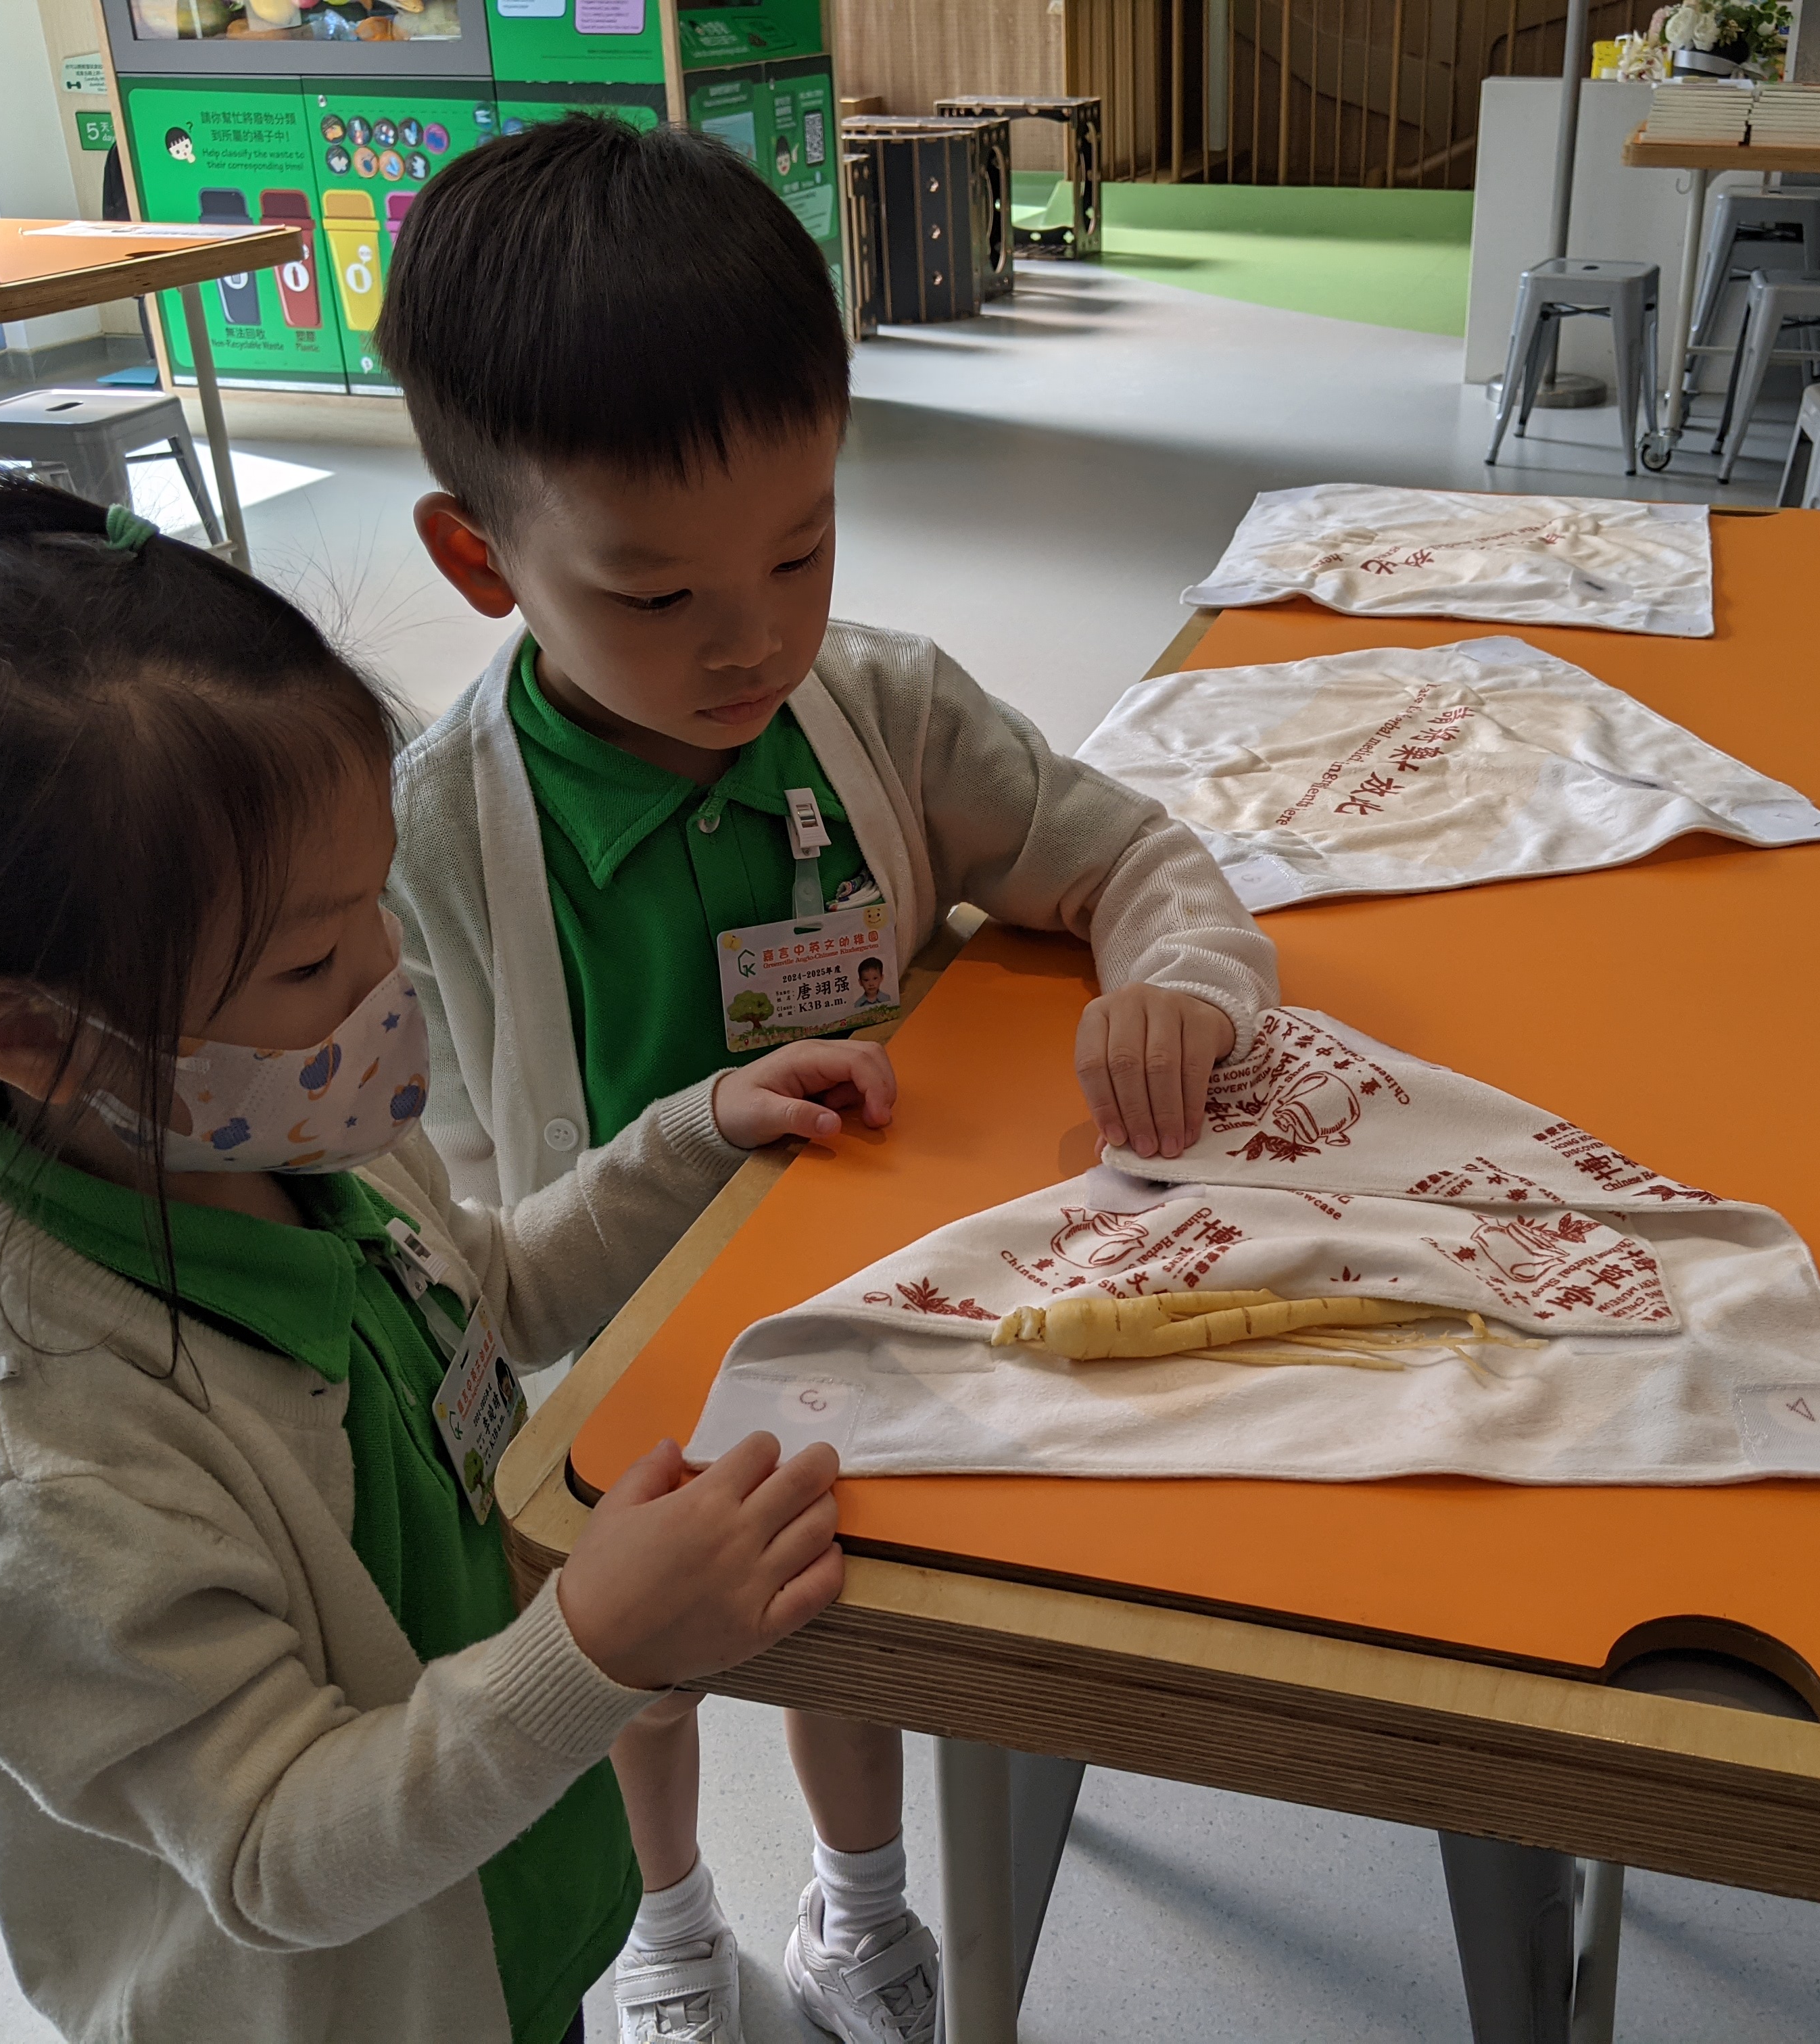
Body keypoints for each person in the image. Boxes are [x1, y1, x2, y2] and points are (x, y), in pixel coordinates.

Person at [0, 482, 879, 2044]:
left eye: (371, 909)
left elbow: (492, 1292)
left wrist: (693, 1132)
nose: (382, 979)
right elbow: (276, 1848)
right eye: (307, 957)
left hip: (505, 1926)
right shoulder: (50, 1479)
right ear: (33, 1036)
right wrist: (594, 1647)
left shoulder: (288, 1137)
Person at [374, 117, 1280, 2044]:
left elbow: (1135, 857)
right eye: (653, 595)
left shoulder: (883, 712)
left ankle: (861, 1911)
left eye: (802, 548)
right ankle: (669, 1928)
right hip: (606, 1367)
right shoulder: (426, 846)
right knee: (631, 1674)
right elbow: (455, 1244)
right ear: (477, 558)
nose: (755, 637)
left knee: (837, 1637)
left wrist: (1175, 989)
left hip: (881, 1334)